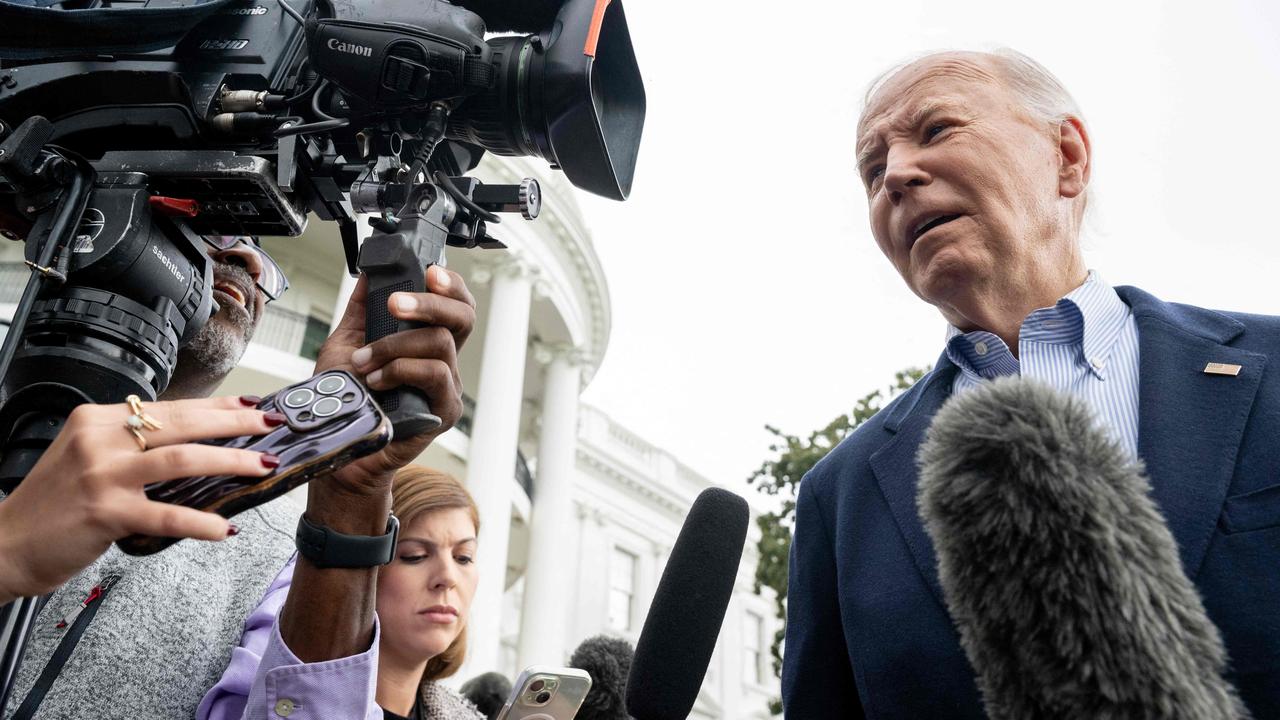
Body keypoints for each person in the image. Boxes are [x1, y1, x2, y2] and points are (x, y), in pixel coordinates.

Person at [781, 49, 1280, 719]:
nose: (896, 174)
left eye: (937, 129)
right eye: (873, 171)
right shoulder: (838, 496)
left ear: (1067, 157)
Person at [0, 236, 476, 720]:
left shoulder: (283, 554)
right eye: (211, 229)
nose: (247, 257)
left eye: (257, 248)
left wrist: (348, 489)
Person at [200, 465, 484, 720]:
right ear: (363, 568)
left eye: (464, 557)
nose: (447, 578)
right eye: (414, 555)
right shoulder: (260, 691)